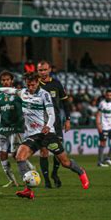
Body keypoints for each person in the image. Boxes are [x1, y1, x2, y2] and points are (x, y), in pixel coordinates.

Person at [0, 72, 89, 200]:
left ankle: (80, 171)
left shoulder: (44, 95)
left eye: (33, 84)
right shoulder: (23, 92)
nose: (31, 87)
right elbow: (11, 90)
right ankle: (28, 190)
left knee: (65, 162)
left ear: (37, 82)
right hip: (32, 135)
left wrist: (48, 126)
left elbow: (52, 114)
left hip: (47, 134)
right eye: (28, 84)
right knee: (20, 157)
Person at [0, 70, 34, 187]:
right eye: (3, 80)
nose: (5, 82)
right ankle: (12, 180)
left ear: (12, 81)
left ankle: (31, 170)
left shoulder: (18, 93)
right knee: (2, 153)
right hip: (3, 127)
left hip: (16, 127)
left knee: (15, 154)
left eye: (7, 80)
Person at [37, 60, 71, 188]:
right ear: (37, 71)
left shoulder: (56, 84)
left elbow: (65, 102)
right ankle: (46, 181)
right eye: (40, 70)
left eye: (45, 69)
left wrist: (67, 119)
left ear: (50, 69)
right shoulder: (35, 85)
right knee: (44, 152)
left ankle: (54, 173)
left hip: (56, 123)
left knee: (58, 153)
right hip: (41, 124)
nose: (43, 72)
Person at [96, 89, 111, 167]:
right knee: (103, 143)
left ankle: (107, 158)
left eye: (110, 95)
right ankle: (100, 162)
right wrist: (98, 125)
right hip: (103, 127)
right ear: (105, 95)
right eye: (107, 95)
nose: (109, 96)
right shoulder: (102, 103)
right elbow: (98, 115)